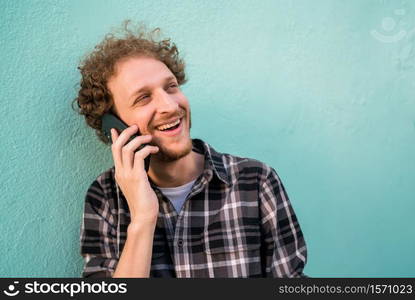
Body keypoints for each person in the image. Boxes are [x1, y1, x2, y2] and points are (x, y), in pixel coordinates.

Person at [74, 22, 307, 278]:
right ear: (113, 126)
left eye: (171, 86)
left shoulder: (256, 181)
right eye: (143, 97)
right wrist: (142, 219)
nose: (170, 106)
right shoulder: (105, 198)